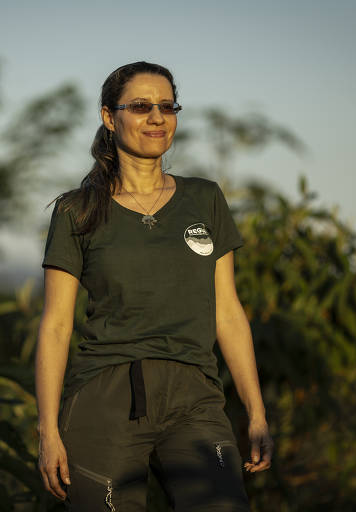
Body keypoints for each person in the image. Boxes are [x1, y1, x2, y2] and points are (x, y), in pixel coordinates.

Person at [35, 61, 272, 511]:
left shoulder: (204, 199)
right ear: (109, 117)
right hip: (104, 395)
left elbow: (227, 312)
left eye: (167, 106)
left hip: (195, 396)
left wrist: (256, 412)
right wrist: (47, 430)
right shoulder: (76, 211)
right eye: (141, 107)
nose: (157, 118)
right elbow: (56, 325)